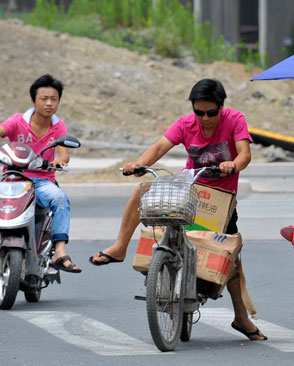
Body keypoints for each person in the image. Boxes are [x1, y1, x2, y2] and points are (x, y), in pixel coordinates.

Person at [89, 78, 266, 341]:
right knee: (142, 192)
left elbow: (245, 154)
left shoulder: (235, 119)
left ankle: (241, 318)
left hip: (220, 199)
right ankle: (120, 247)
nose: (204, 118)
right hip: (189, 188)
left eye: (211, 113)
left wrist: (234, 165)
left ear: (221, 107)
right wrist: (138, 164)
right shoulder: (186, 124)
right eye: (199, 112)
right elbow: (160, 147)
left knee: (232, 259)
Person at [0, 74, 81, 273]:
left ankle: (59, 252)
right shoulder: (17, 122)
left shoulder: (58, 126)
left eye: (54, 99)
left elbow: (64, 155)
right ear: (33, 100)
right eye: (44, 98)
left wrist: (60, 161)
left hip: (42, 180)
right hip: (11, 177)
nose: (49, 103)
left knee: (60, 200)